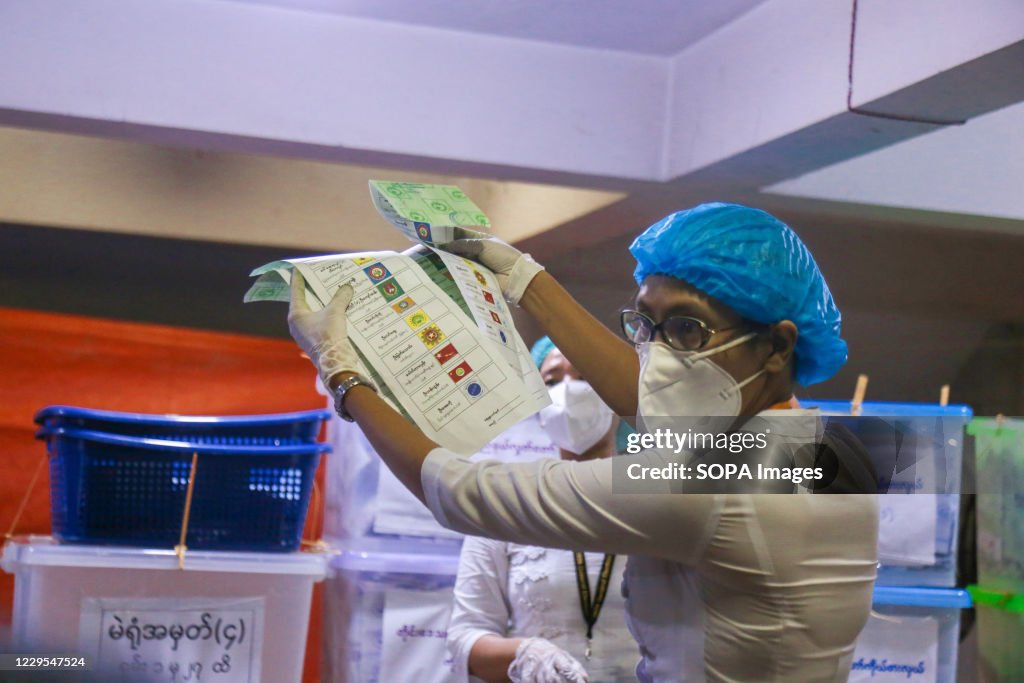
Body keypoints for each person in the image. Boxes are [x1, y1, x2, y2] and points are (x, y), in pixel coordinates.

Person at [288, 202, 879, 682]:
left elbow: (458, 492)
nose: (661, 357)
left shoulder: (708, 484)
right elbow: (658, 407)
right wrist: (525, 279)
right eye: (646, 325)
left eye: (687, 330)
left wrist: (344, 375)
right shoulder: (828, 450)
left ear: (777, 347)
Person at [448, 338, 638, 683]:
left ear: (617, 391)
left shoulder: (660, 504)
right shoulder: (509, 505)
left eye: (585, 377)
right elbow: (465, 640)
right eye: (551, 381)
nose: (569, 391)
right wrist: (525, 654)